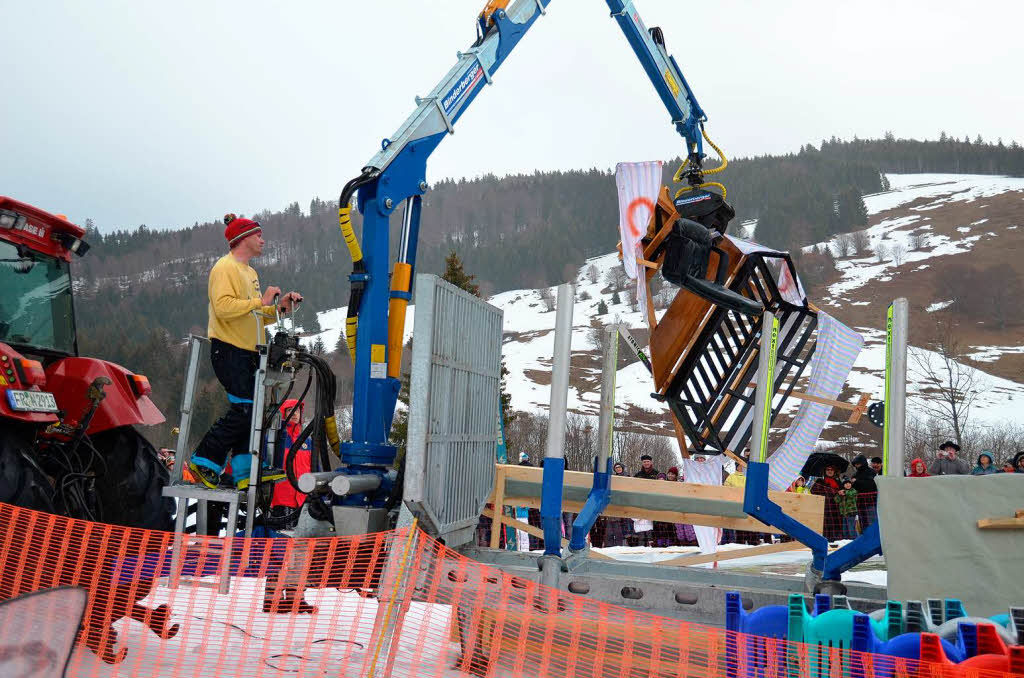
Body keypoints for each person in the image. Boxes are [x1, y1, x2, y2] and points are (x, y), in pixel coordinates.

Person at [189, 214, 302, 490]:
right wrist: (261, 301)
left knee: (252, 410)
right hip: (229, 349)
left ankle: (244, 471)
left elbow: (254, 314)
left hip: (248, 351)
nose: (263, 240)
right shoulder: (224, 268)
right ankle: (204, 459)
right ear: (244, 238)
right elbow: (223, 307)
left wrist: (279, 308)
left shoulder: (250, 273)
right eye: (259, 235)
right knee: (245, 408)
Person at [631, 455, 658, 546]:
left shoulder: (656, 473)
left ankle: (654, 545)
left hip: (653, 501)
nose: (646, 463)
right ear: (642, 463)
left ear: (651, 462)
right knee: (641, 522)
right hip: (641, 501)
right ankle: (641, 545)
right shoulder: (638, 475)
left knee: (652, 524)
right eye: (644, 462)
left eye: (648, 461)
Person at [810, 465, 842, 542]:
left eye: (831, 470)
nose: (830, 471)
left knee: (836, 526)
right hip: (824, 507)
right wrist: (829, 490)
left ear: (834, 471)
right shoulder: (820, 481)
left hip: (836, 508)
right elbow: (813, 491)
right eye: (828, 469)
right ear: (825, 471)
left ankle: (836, 541)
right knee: (826, 526)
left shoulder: (838, 482)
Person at [850, 454, 877, 530]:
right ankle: (865, 539)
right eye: (855, 464)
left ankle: (873, 539)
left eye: (858, 464)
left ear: (863, 463)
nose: (856, 466)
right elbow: (853, 487)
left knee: (872, 524)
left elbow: (871, 485)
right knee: (863, 524)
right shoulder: (855, 474)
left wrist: (857, 482)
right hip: (860, 503)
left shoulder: (871, 472)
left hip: (871, 502)